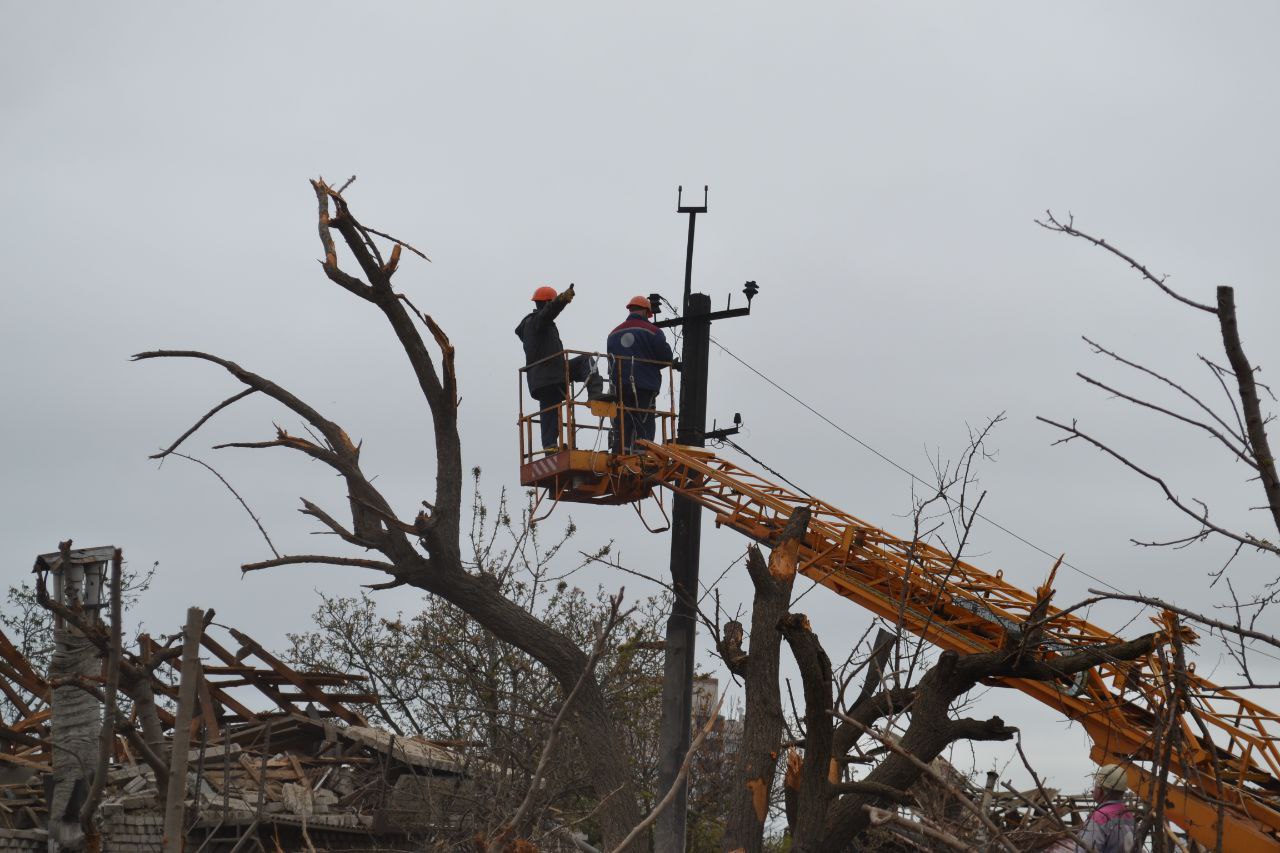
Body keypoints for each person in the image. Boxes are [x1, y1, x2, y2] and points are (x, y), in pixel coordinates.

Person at [606, 295, 673, 452]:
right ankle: (641, 456)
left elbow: (611, 361)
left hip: (619, 387)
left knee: (623, 423)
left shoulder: (613, 334)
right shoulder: (653, 331)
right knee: (644, 422)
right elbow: (666, 357)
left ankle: (620, 453)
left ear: (630, 310)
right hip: (644, 385)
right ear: (645, 311)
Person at [516, 284, 575, 452]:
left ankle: (595, 394)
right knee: (550, 408)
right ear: (548, 303)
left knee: (585, 362)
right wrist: (562, 299)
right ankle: (549, 445)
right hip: (547, 374)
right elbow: (549, 312)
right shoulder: (537, 321)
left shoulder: (536, 326)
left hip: (550, 372)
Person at [1077, 764, 1135, 853]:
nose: (1093, 789)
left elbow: (1082, 851)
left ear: (1101, 791)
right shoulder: (1129, 815)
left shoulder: (1099, 818)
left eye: (1096, 785)